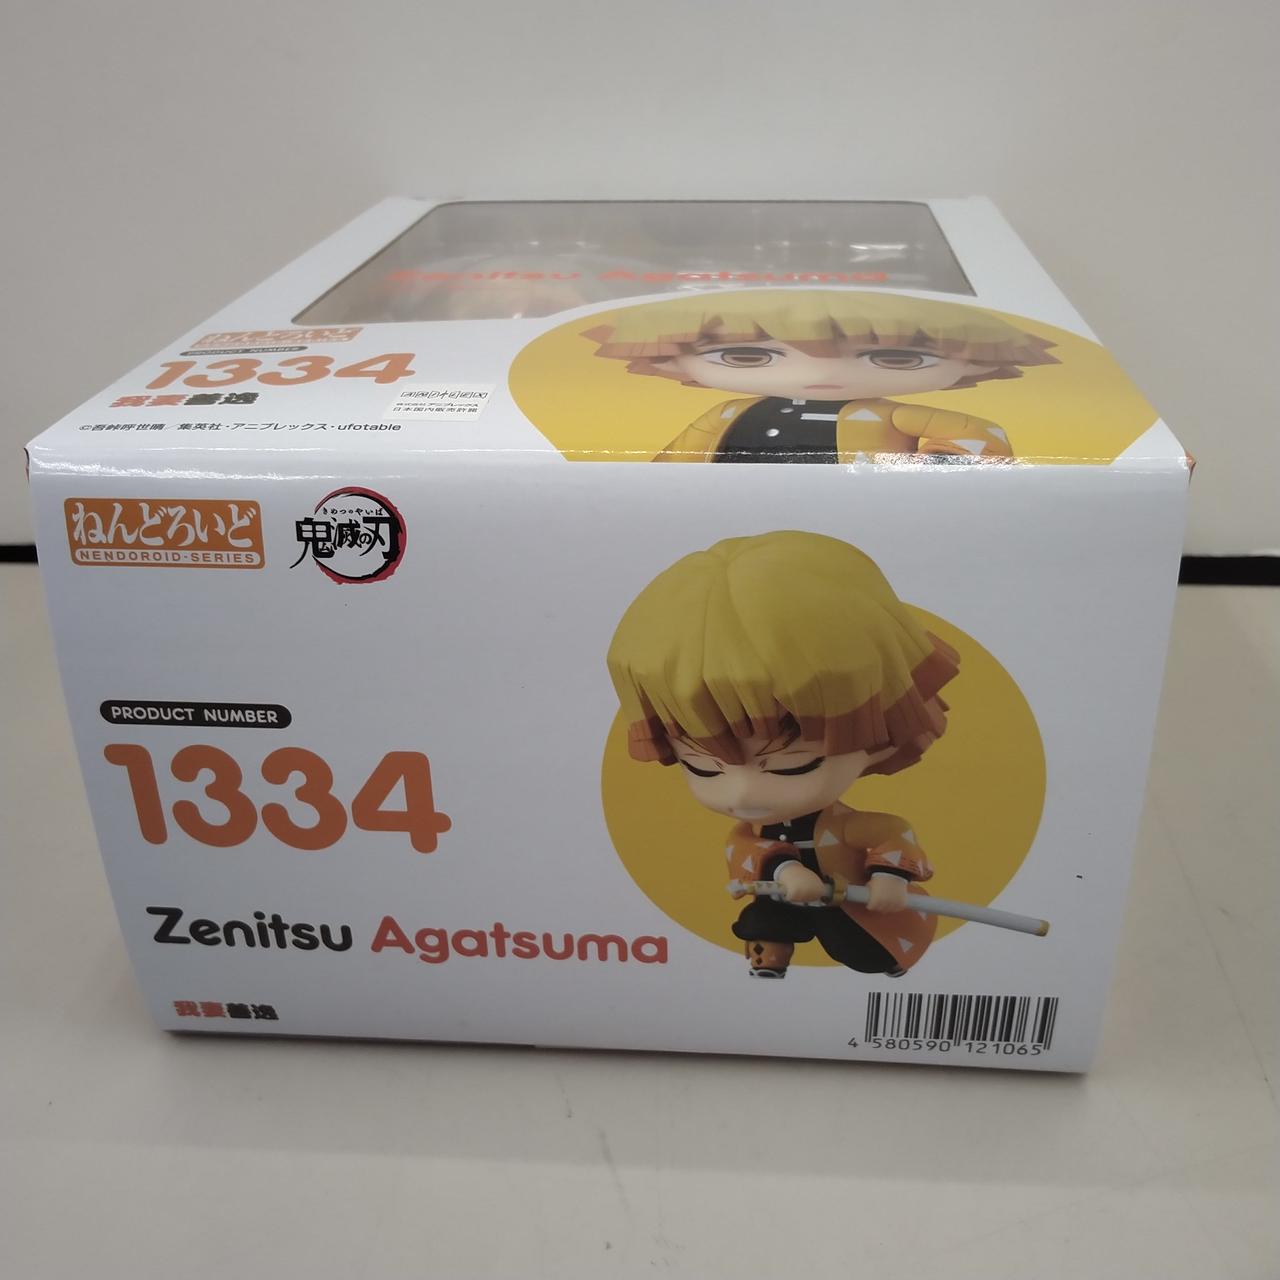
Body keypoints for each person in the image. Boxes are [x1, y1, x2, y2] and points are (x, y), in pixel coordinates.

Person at [606, 530, 959, 978]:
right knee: (764, 921)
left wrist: (890, 876)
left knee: (858, 944)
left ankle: (885, 957)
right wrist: (783, 868)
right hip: (780, 895)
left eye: (793, 766)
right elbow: (742, 847)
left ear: (881, 731)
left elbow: (893, 833)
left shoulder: (846, 826)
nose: (743, 794)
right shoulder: (755, 828)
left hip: (844, 899)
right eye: (702, 767)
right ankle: (769, 956)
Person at [584, 289, 1057, 463]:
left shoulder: (893, 415)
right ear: (668, 360)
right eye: (747, 356)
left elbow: (981, 439)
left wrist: (898, 475)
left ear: (977, 361)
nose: (819, 372)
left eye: (897, 358)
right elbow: (674, 464)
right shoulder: (727, 413)